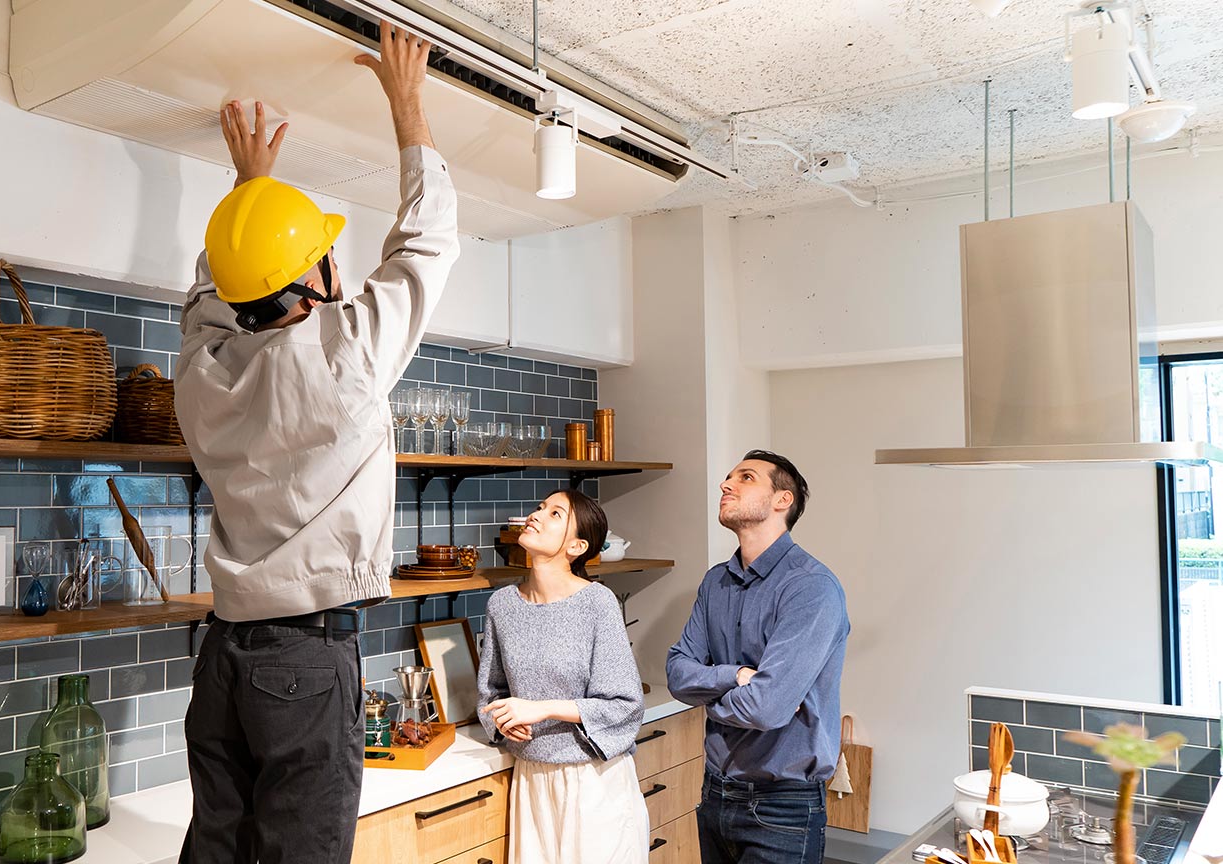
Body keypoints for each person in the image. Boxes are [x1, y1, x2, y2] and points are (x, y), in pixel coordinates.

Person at [173, 22, 458, 864]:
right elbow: (427, 241)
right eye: (328, 253)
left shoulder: (202, 374)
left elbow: (211, 291)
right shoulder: (348, 350)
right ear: (317, 281)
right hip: (304, 657)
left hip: (222, 659)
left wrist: (250, 194)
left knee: (217, 852)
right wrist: (407, 104)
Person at [665, 450, 849, 864]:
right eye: (728, 477)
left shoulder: (811, 588)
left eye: (745, 477)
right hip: (714, 793)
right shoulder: (716, 581)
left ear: (782, 500)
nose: (726, 485)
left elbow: (767, 708)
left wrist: (710, 694)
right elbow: (677, 673)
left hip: (782, 806)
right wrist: (736, 676)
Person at [477, 489, 648, 864]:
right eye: (539, 507)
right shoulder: (501, 606)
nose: (536, 515)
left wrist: (539, 709)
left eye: (555, 514)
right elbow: (491, 693)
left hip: (594, 781)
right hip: (531, 779)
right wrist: (504, 722)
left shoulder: (597, 604)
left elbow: (626, 704)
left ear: (576, 546)